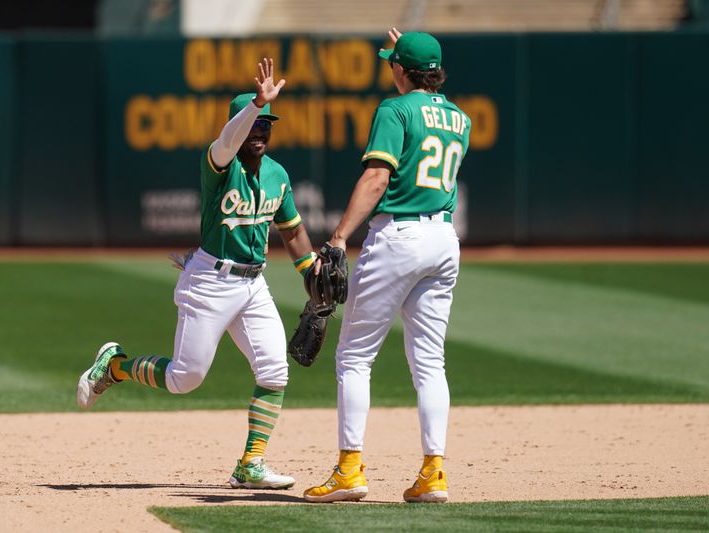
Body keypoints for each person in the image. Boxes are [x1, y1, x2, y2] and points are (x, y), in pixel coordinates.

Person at [78, 58, 319, 490]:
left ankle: (250, 464)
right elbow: (226, 142)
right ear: (239, 127)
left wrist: (313, 274)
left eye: (267, 125)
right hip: (210, 281)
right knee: (184, 379)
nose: (261, 131)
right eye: (255, 124)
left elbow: (294, 231)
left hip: (253, 283)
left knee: (274, 371)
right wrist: (254, 107)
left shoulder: (278, 175)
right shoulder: (218, 165)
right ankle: (114, 366)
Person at [304, 29, 471, 503]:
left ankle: (350, 470)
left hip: (399, 236)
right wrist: (411, 50)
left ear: (401, 70)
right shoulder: (460, 118)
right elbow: (428, 101)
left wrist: (338, 238)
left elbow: (377, 177)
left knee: (354, 357)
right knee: (430, 362)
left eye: (392, 63)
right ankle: (433, 472)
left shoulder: (394, 109)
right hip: (443, 238)